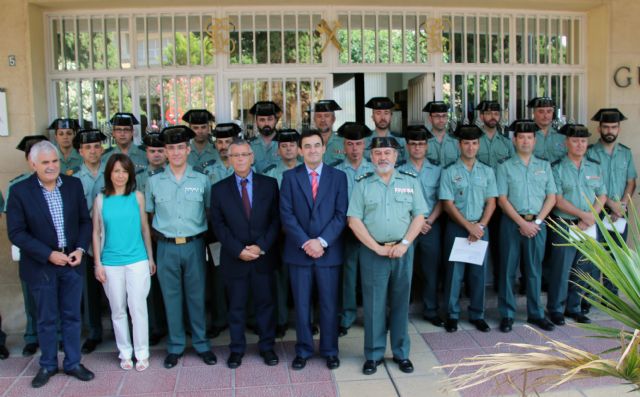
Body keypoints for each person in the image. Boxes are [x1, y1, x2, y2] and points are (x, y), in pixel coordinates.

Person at [7, 140, 94, 388]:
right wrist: (48, 254)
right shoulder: (20, 192)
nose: (51, 166)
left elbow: (84, 222)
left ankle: (73, 363)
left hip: (71, 262)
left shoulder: (73, 185)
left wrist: (79, 249)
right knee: (46, 318)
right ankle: (47, 364)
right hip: (41, 265)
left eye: (54, 161)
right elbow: (17, 233)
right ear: (32, 163)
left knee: (72, 316)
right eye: (45, 162)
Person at [348, 136, 427, 375]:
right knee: (373, 306)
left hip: (403, 251)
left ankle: (401, 353)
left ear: (396, 156)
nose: (383, 157)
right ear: (371, 157)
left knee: (401, 303)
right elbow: (354, 220)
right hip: (373, 252)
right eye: (378, 153)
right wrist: (376, 247)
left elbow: (419, 216)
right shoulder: (362, 183)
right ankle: (373, 355)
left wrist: (404, 243)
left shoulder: (410, 181)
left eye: (388, 153)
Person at [145, 125, 216, 369]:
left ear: (187, 150)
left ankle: (201, 343)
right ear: (164, 152)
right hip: (165, 247)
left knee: (197, 296)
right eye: (170, 148)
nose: (175, 153)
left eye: (180, 148)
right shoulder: (153, 182)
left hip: (194, 245)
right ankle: (175, 345)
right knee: (171, 297)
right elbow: (149, 216)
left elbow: (207, 212)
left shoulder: (202, 179)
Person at [280, 129, 348, 370]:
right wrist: (307, 243)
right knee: (301, 305)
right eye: (307, 146)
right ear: (300, 150)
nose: (312, 150)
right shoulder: (290, 177)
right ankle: (304, 349)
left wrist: (322, 242)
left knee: (330, 304)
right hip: (299, 252)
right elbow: (286, 215)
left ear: (324, 148)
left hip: (328, 252)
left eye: (316, 145)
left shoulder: (338, 177)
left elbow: (341, 215)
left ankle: (330, 350)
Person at [210, 139, 281, 369]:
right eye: (235, 156)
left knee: (265, 304)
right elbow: (218, 226)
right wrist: (238, 249)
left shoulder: (269, 184)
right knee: (237, 307)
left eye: (244, 155)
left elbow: (275, 220)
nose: (240, 159)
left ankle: (267, 347)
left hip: (263, 256)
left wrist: (260, 246)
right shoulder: (219, 189)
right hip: (235, 258)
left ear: (252, 157)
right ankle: (237, 349)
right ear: (229, 160)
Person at [92, 154, 156, 371]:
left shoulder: (137, 197)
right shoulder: (101, 199)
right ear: (109, 173)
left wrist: (150, 257)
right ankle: (125, 352)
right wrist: (98, 263)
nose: (120, 175)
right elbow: (96, 231)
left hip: (137, 259)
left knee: (138, 307)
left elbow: (145, 228)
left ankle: (142, 352)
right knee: (117, 308)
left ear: (130, 174)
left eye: (124, 171)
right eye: (116, 171)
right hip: (110, 262)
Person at [495, 120, 556, 333]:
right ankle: (507, 314)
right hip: (512, 223)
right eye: (521, 137)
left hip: (538, 225)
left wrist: (536, 222)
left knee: (534, 270)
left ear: (535, 140)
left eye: (529, 137)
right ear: (514, 140)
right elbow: (502, 199)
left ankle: (536, 313)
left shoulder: (544, 165)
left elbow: (551, 196)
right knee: (508, 270)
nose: (525, 141)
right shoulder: (504, 166)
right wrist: (522, 223)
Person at [439, 125, 497, 333]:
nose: (470, 147)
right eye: (466, 143)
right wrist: (468, 226)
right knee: (454, 274)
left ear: (479, 145)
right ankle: (452, 315)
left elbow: (491, 201)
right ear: (459, 145)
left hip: (481, 228)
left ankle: (477, 314)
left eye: (474, 143)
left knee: (478, 274)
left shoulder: (487, 171)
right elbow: (447, 204)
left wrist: (480, 226)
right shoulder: (450, 172)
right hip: (457, 228)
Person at [547, 124, 607, 325]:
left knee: (583, 268)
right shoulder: (557, 168)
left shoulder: (594, 167)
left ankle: (575, 307)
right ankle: (556, 309)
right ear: (566, 143)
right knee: (560, 269)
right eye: (575, 140)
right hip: (565, 224)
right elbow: (558, 199)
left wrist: (591, 216)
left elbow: (602, 195)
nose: (580, 144)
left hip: (589, 224)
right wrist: (583, 215)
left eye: (583, 141)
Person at [4, 135, 50, 357]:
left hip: (56, 253)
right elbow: (15, 228)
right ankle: (32, 336)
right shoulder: (17, 187)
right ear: (29, 160)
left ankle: (56, 336)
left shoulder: (59, 185)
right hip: (30, 252)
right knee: (30, 295)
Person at [586, 108, 637, 303]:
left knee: (617, 257)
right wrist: (610, 205)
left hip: (620, 213)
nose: (610, 130)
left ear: (619, 129)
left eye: (613, 127)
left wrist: (622, 205)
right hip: (596, 211)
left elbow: (631, 181)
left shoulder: (625, 153)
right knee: (594, 256)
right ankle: (588, 297)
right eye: (606, 127)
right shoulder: (590, 153)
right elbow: (590, 184)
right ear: (599, 129)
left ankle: (611, 298)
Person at [398, 125, 444, 327]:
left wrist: (429, 220)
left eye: (421, 144)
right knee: (402, 271)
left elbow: (442, 199)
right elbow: (397, 200)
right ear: (407, 147)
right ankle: (399, 311)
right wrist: (414, 223)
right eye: (413, 144)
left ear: (427, 146)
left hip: (429, 226)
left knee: (430, 270)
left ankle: (431, 309)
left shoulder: (437, 169)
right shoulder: (398, 170)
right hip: (406, 226)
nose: (417, 148)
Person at [333, 122, 374, 336]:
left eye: (358, 144)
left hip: (370, 230)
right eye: (350, 144)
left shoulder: (375, 168)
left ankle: (371, 316)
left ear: (365, 144)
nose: (355, 149)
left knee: (370, 275)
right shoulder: (336, 170)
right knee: (348, 275)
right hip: (346, 230)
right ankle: (347, 317)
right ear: (344, 146)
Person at [261, 129, 302, 337]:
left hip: (304, 234)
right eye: (284, 146)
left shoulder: (307, 170)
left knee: (305, 278)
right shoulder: (269, 173)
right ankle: (281, 320)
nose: (288, 149)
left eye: (292, 145)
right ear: (278, 150)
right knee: (280, 278)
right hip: (279, 234)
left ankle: (306, 320)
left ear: (299, 149)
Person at [72, 129, 108, 354]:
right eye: (88, 147)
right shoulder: (73, 178)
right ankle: (94, 332)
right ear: (80, 151)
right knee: (90, 289)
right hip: (86, 240)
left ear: (102, 149)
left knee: (117, 289)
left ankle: (123, 329)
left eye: (96, 146)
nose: (93, 151)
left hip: (112, 237)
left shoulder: (112, 170)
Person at [136, 131, 168, 346]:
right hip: (146, 236)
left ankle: (178, 324)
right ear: (145, 153)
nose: (156, 155)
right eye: (152, 151)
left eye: (160, 150)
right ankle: (156, 327)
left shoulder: (173, 173)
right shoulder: (137, 177)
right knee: (151, 286)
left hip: (168, 237)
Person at [364, 97, 406, 161]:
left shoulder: (401, 141)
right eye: (378, 113)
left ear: (391, 116)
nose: (383, 117)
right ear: (372, 117)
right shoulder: (364, 142)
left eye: (386, 113)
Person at [529, 97, 566, 163]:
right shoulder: (527, 136)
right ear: (534, 113)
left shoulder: (562, 137)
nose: (545, 116)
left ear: (552, 113)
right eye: (541, 112)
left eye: (549, 111)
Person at [424, 101, 459, 167]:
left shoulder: (456, 141)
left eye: (444, 116)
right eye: (437, 116)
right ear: (430, 119)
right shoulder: (423, 141)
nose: (441, 120)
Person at [249, 101, 282, 171]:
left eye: (270, 119)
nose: (266, 123)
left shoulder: (285, 143)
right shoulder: (249, 145)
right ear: (256, 122)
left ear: (276, 120)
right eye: (262, 120)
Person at [314, 100, 344, 165]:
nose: (322, 120)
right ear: (314, 119)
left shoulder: (343, 142)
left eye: (327, 116)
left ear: (333, 119)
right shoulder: (307, 143)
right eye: (319, 116)